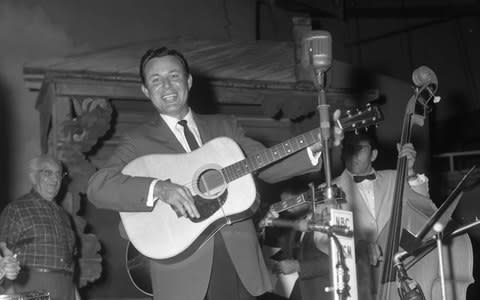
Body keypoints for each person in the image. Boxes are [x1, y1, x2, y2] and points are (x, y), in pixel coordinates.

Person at [87, 47, 342, 300]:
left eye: (174, 76)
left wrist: (313, 147)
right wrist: (158, 188)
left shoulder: (225, 127)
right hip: (182, 271)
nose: (167, 86)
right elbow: (99, 186)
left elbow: (266, 164)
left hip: (241, 265)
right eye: (156, 80)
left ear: (188, 81)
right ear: (145, 91)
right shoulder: (137, 141)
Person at [313, 130, 437, 300]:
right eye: (349, 148)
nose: (353, 153)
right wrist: (355, 247)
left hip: (401, 278)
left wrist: (410, 171)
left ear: (373, 155)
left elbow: (423, 211)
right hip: (357, 282)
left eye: (360, 148)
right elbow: (321, 239)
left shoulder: (396, 178)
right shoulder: (324, 190)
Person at [0, 155, 77, 300]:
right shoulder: (16, 209)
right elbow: (4, 255)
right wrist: (9, 291)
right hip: (32, 289)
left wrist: (75, 295)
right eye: (47, 173)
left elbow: (70, 265)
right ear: (34, 177)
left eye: (59, 174)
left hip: (66, 289)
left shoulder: (65, 216)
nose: (55, 180)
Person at [261, 189, 331, 300]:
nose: (288, 209)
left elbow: (336, 261)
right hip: (303, 291)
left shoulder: (324, 218)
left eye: (291, 203)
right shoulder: (299, 224)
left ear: (307, 197)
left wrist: (299, 266)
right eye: (284, 204)